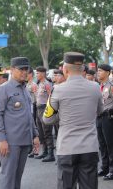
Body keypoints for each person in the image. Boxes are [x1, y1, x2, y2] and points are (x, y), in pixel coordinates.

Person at [43, 52, 103, 189]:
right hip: (89, 146)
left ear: (65, 69)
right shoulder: (95, 87)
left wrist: (62, 115)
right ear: (83, 69)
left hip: (67, 147)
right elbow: (100, 111)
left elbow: (47, 119)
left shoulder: (57, 89)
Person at [0, 57, 39, 189]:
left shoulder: (25, 88)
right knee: (8, 176)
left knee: (18, 176)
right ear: (12, 70)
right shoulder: (4, 89)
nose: (25, 72)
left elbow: (29, 115)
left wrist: (35, 134)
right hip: (10, 142)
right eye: (21, 69)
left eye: (26, 69)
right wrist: (2, 139)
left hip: (25, 139)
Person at [96, 64, 113, 181]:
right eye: (97, 71)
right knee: (102, 144)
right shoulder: (99, 86)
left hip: (109, 118)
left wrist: (111, 111)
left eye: (100, 71)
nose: (98, 73)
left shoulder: (112, 86)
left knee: (111, 145)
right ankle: (105, 167)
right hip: (99, 117)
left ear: (107, 72)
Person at [34, 66, 55, 162]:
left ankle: (51, 154)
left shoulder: (47, 84)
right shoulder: (39, 84)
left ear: (43, 74)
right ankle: (44, 151)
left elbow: (51, 97)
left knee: (47, 131)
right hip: (38, 109)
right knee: (41, 132)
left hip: (45, 108)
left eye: (38, 73)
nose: (36, 75)